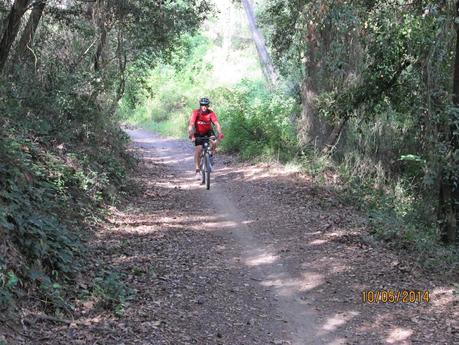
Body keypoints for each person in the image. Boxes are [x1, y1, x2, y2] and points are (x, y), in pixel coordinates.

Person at [188, 97, 224, 177]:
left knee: (214, 142)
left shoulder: (210, 113)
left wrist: (220, 133)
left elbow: (216, 124)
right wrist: (191, 134)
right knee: (199, 150)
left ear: (208, 106)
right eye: (202, 105)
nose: (204, 107)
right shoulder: (196, 112)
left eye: (206, 105)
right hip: (198, 132)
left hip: (208, 132)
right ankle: (197, 171)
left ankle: (210, 155)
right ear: (200, 105)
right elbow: (191, 124)